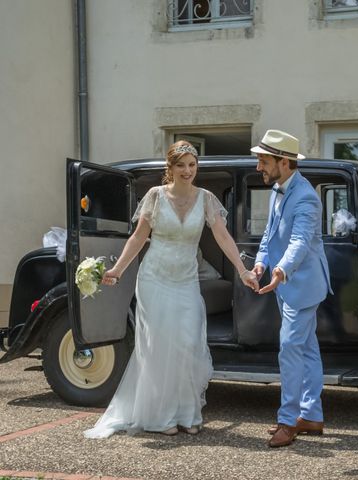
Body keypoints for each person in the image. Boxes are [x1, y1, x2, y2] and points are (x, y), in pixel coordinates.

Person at [83, 141, 259, 439]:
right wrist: (117, 270)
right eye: (181, 165)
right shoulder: (155, 196)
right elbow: (138, 239)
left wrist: (242, 271)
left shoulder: (206, 199)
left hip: (186, 281)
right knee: (159, 347)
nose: (187, 171)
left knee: (187, 344)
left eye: (192, 165)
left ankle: (187, 413)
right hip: (154, 279)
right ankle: (161, 416)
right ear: (171, 168)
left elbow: (223, 237)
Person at [250, 129, 332, 448]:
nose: (259, 167)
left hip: (302, 286)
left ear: (284, 162)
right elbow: (269, 234)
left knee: (290, 349)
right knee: (307, 350)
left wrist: (280, 270)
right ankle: (311, 415)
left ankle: (288, 420)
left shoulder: (307, 197)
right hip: (286, 285)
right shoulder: (277, 190)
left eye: (264, 161)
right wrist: (260, 263)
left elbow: (298, 242)